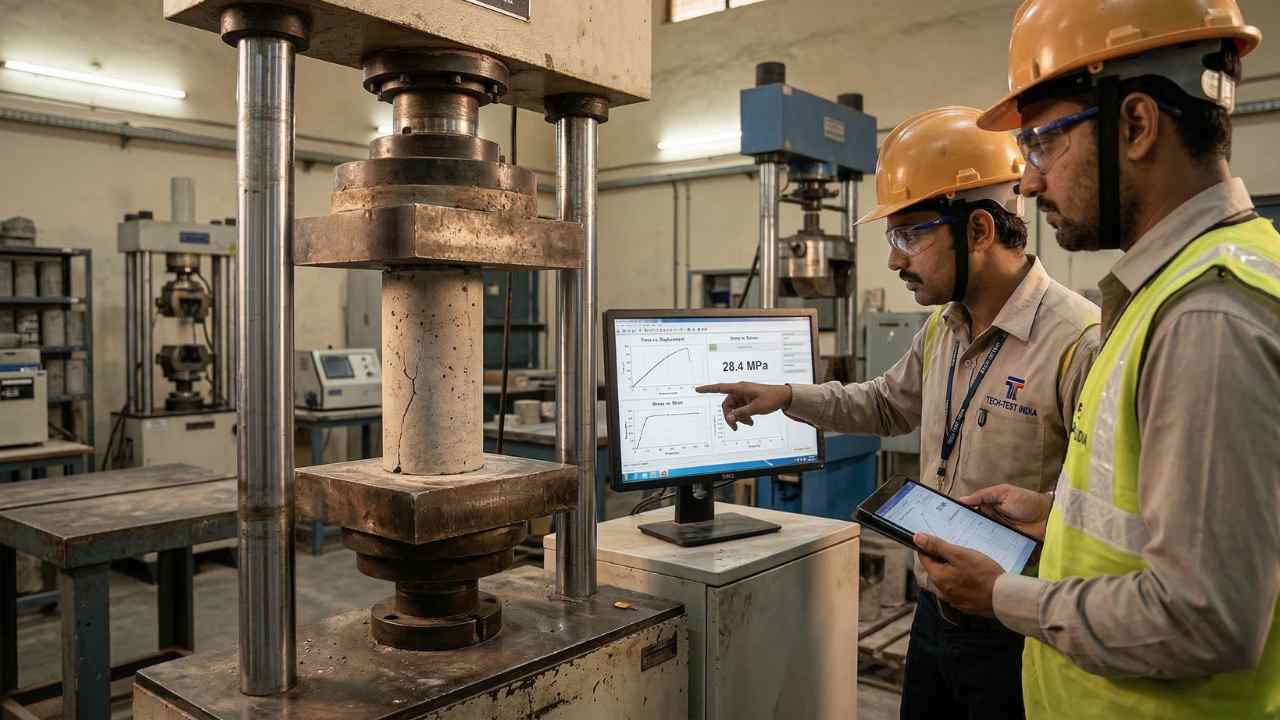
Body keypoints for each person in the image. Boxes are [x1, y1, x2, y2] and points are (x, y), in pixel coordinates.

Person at [913, 2, 1280, 718]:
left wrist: (1002, 596)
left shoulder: (1205, 315)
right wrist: (1056, 519)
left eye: (1043, 143)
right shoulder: (1169, 292)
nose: (1027, 182)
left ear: (1136, 124)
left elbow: (1204, 619)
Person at [697, 106, 1100, 719]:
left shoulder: (1078, 340)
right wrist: (789, 395)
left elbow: (1102, 516)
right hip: (934, 611)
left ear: (981, 230)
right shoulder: (944, 326)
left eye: (910, 234)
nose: (893, 259)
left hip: (1018, 631)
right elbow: (887, 404)